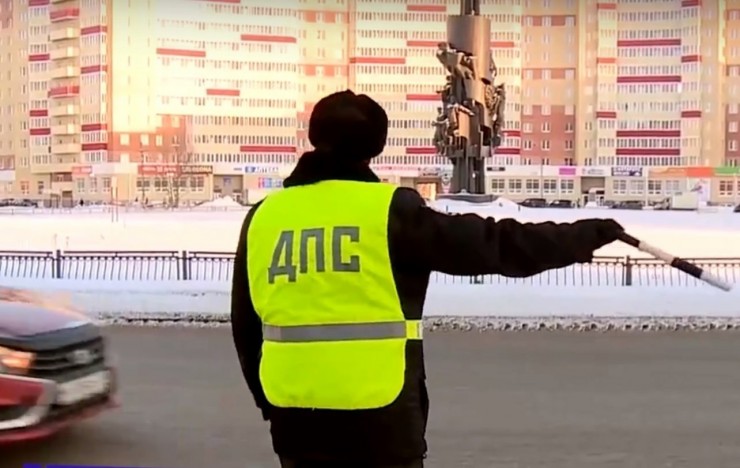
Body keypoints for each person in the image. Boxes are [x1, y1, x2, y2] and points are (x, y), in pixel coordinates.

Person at [231, 90, 624, 468]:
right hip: (381, 419)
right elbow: (492, 245)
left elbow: (246, 326)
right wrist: (581, 237)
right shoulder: (388, 212)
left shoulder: (265, 216)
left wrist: (269, 404)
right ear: (376, 146)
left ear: (315, 136)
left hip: (295, 422)